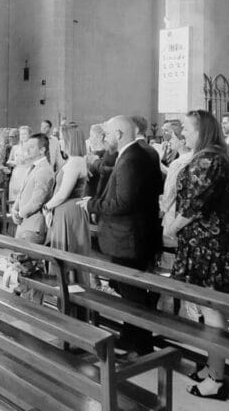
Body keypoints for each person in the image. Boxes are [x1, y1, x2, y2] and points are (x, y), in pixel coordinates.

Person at [163, 110, 229, 401]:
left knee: (213, 308)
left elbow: (195, 205)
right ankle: (212, 365)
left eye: (187, 129)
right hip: (203, 240)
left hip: (209, 243)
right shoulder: (209, 156)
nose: (183, 133)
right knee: (205, 306)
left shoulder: (209, 159)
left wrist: (171, 229)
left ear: (203, 130)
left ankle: (216, 378)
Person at [81, 115, 163, 355]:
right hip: (138, 233)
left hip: (127, 236)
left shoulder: (130, 159)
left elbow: (122, 203)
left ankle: (142, 344)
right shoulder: (141, 153)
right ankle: (132, 338)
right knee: (130, 290)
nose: (104, 139)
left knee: (133, 293)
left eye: (107, 134)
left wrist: (91, 204)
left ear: (118, 134)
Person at [43, 123, 91, 257]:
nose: (60, 142)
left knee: (67, 255)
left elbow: (63, 194)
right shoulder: (73, 160)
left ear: (71, 141)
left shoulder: (75, 161)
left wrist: (46, 207)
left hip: (68, 212)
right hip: (66, 210)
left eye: (62, 139)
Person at [11, 133, 55, 244]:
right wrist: (14, 209)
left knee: (26, 259)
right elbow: (22, 192)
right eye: (27, 147)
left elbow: (37, 202)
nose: (27, 150)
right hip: (24, 223)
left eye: (32, 147)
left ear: (42, 150)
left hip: (34, 226)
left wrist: (20, 214)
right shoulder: (33, 166)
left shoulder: (44, 170)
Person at [7, 126, 33, 203]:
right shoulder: (15, 147)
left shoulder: (32, 147)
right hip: (16, 173)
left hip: (27, 172)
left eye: (25, 134)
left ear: (29, 135)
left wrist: (27, 161)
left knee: (26, 195)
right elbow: (9, 161)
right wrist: (15, 162)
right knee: (14, 196)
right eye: (21, 134)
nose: (22, 136)